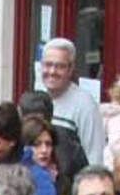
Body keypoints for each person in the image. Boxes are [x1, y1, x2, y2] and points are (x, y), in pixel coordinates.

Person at [39, 35, 109, 164]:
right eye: (48, 64)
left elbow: (95, 157)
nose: (52, 71)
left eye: (60, 66)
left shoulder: (85, 105)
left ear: (71, 69)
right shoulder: (37, 98)